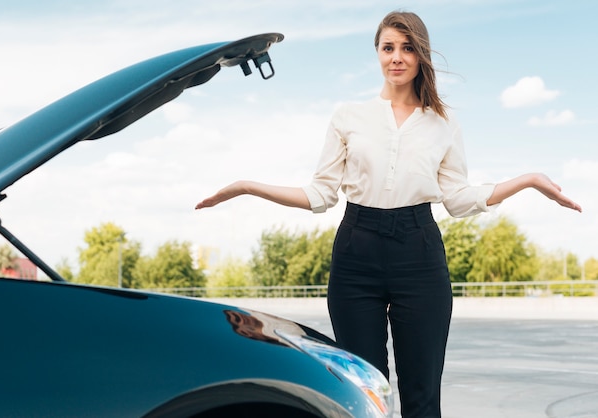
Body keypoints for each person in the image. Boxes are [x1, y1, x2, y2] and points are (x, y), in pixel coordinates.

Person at [196, 10, 581, 418]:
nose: (397, 57)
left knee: (422, 394)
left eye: (407, 48)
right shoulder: (349, 116)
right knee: (362, 392)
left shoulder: (443, 123)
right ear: (378, 54)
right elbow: (320, 194)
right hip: (356, 254)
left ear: (421, 56)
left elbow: (458, 199)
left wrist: (528, 180)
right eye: (388, 48)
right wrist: (246, 186)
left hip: (419, 253)